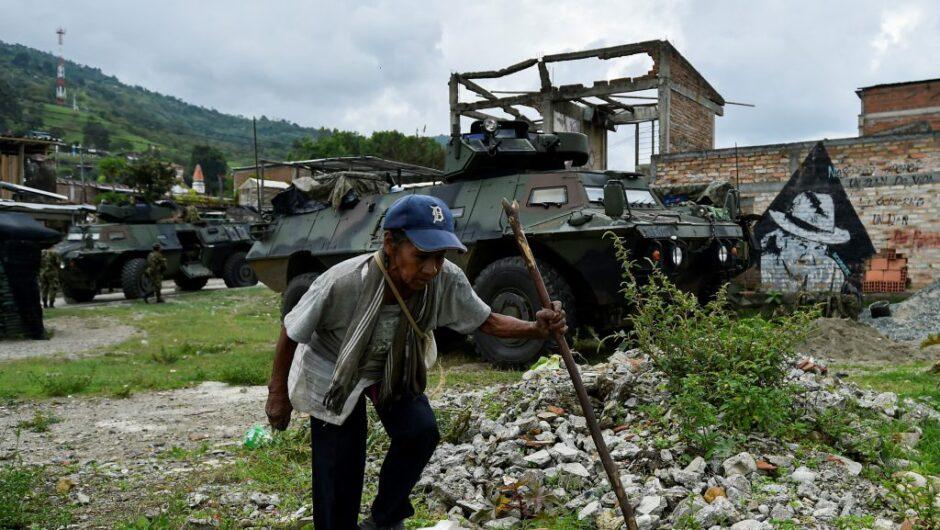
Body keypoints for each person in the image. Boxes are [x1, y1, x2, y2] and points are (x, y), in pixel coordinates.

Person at [265, 195, 566, 530]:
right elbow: (292, 330)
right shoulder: (343, 281)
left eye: (439, 257)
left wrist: (536, 329)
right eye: (421, 256)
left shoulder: (445, 278)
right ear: (390, 243)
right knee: (340, 465)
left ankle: (384, 519)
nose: (431, 268)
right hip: (335, 371)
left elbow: (486, 320)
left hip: (392, 365)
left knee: (420, 431)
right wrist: (277, 395)